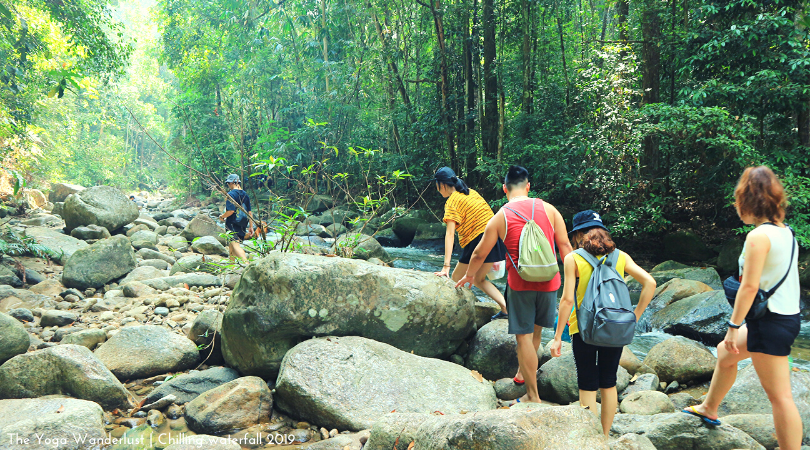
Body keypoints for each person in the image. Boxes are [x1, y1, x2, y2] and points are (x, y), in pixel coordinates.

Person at [686, 166, 802, 450]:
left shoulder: (758, 237)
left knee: (780, 397)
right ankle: (709, 408)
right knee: (726, 352)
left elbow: (749, 288)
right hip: (785, 318)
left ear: (747, 201)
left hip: (770, 323)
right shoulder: (786, 232)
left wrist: (733, 325)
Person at [456, 165, 573, 403]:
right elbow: (566, 249)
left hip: (521, 285)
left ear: (504, 189)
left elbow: (479, 253)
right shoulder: (550, 210)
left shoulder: (500, 217)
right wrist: (575, 281)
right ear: (528, 186)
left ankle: (532, 396)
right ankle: (523, 374)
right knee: (536, 333)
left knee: (523, 338)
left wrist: (470, 275)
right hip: (550, 281)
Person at [549, 210, 655, 436]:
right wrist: (635, 315)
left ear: (578, 234)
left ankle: (591, 438)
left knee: (587, 381)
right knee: (608, 382)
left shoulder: (573, 258)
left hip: (584, 329)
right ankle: (605, 437)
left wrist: (558, 337)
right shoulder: (621, 256)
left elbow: (567, 300)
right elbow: (650, 282)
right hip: (615, 326)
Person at [433, 167, 508, 319]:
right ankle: (507, 309)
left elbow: (449, 234)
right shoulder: (471, 192)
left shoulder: (452, 201)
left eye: (436, 186)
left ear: (441, 184)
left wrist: (446, 266)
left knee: (455, 278)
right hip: (495, 239)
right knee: (479, 279)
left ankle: (458, 316)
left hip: (477, 241)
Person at [217, 174, 253, 261]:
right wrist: (251, 227)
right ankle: (232, 266)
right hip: (243, 223)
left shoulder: (231, 194)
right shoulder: (245, 194)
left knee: (235, 244)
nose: (228, 186)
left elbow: (231, 211)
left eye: (228, 183)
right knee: (232, 244)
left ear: (231, 183)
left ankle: (246, 263)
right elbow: (249, 212)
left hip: (232, 223)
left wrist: (222, 216)